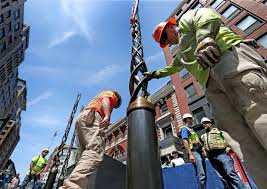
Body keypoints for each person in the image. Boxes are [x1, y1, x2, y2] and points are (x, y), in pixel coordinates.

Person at [145, 7, 267, 187]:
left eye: (165, 37)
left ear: (171, 27)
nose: (168, 41)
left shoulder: (187, 20)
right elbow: (172, 69)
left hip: (227, 59)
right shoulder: (183, 52)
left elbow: (207, 15)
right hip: (211, 85)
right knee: (238, 137)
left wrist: (205, 38)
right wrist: (154, 74)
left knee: (258, 112)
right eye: (164, 41)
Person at [60, 90, 122, 189]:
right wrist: (107, 116)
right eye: (115, 105)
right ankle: (72, 186)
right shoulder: (111, 94)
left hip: (83, 118)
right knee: (95, 150)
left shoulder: (95, 99)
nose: (113, 106)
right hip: (92, 116)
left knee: (85, 157)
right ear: (117, 98)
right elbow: (106, 99)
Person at [200, 117, 246, 189]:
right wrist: (205, 153)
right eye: (203, 124)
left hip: (222, 154)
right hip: (212, 157)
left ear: (210, 123)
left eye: (205, 123)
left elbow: (229, 138)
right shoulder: (203, 136)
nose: (204, 125)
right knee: (223, 177)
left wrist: (229, 147)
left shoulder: (218, 130)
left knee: (230, 173)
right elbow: (204, 145)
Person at [181, 113, 206, 189]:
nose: (192, 120)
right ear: (188, 119)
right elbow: (185, 142)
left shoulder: (192, 130)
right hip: (194, 152)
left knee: (202, 174)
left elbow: (197, 141)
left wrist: (203, 150)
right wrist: (191, 154)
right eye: (191, 119)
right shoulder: (184, 129)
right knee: (201, 174)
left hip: (199, 152)